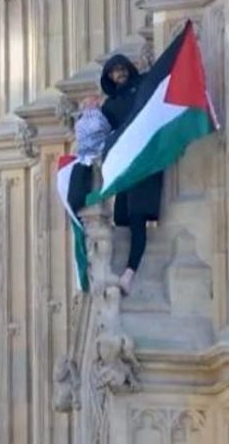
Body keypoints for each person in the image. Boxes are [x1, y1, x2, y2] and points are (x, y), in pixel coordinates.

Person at [99, 54, 164, 295]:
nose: (120, 73)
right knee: (121, 218)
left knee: (137, 218)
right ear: (109, 77)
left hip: (146, 163)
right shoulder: (110, 106)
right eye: (114, 71)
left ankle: (129, 272)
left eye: (122, 68)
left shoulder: (143, 87)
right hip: (126, 167)